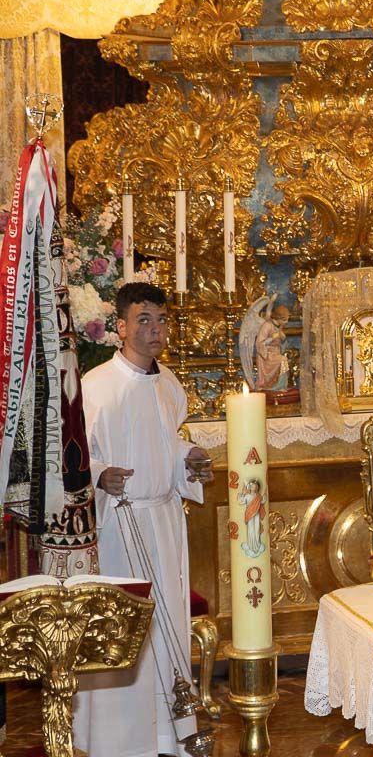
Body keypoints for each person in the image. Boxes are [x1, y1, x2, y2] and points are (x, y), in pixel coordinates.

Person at [73, 282, 215, 757]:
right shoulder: (96, 387)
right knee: (124, 632)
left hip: (165, 523)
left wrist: (188, 459)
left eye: (161, 320)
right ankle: (116, 741)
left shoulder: (170, 384)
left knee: (167, 626)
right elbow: (74, 460)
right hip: (120, 528)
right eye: (144, 320)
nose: (155, 330)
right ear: (120, 327)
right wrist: (99, 477)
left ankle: (165, 737)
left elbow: (167, 444)